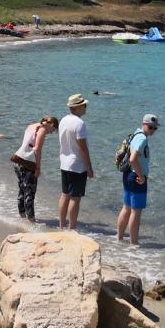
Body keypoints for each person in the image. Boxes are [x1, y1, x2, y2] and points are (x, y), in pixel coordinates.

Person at [117, 114, 159, 246]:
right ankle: (133, 244)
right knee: (136, 212)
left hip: (128, 174)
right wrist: (141, 176)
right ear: (144, 124)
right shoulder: (142, 139)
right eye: (151, 127)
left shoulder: (135, 134)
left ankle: (119, 239)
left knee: (126, 208)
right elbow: (133, 159)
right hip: (136, 177)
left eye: (155, 128)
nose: (152, 130)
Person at [57, 93, 94, 230]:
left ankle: (61, 225)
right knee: (75, 198)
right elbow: (83, 148)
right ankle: (72, 228)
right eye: (84, 105)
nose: (86, 107)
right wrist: (89, 167)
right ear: (78, 107)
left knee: (64, 194)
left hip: (64, 162)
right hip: (77, 165)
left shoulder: (63, 120)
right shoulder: (80, 124)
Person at [11, 116, 58, 222]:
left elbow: (27, 144)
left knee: (22, 189)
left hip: (18, 160)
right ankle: (31, 220)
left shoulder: (32, 126)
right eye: (54, 130)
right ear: (52, 125)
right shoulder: (42, 130)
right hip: (28, 164)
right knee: (30, 192)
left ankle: (22, 216)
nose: (51, 133)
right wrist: (38, 168)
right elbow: (37, 150)